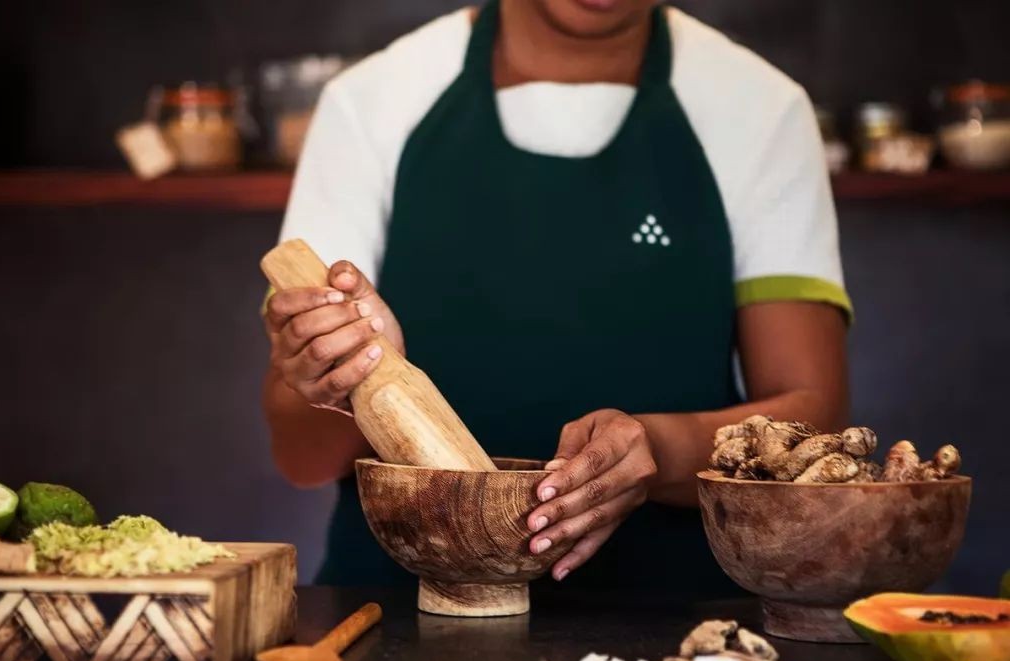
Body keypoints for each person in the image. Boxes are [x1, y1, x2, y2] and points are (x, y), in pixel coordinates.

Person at [263, 0, 851, 595]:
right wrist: (351, 378)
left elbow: (815, 420)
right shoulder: (371, 102)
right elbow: (302, 458)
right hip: (393, 612)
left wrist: (658, 450)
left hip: (674, 620)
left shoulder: (760, 108)